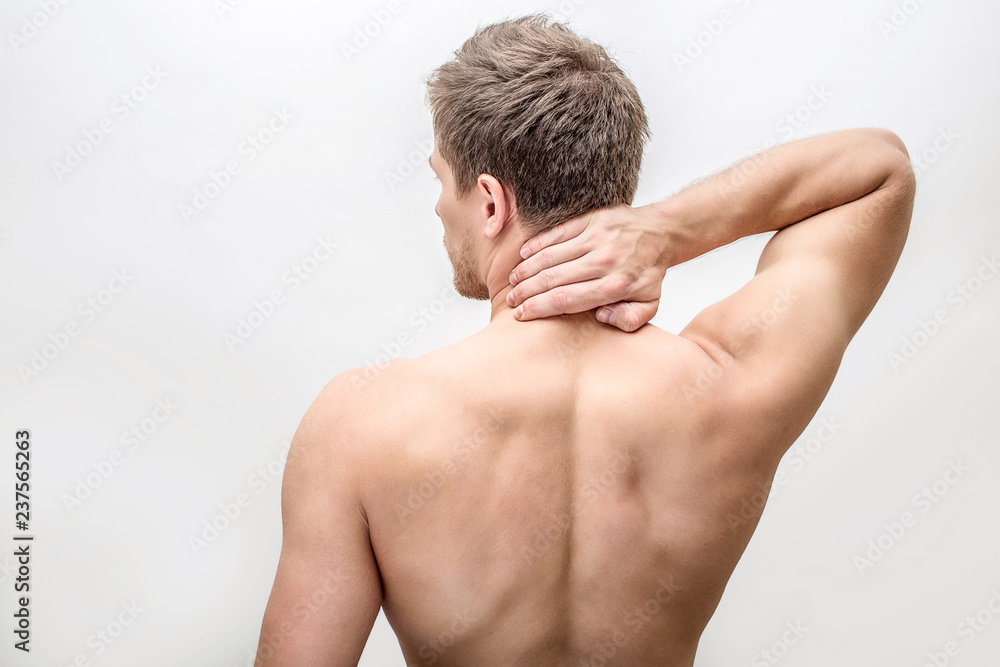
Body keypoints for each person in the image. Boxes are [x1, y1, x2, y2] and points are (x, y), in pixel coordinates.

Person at [254, 14, 915, 666]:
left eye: (439, 177)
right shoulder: (728, 381)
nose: (436, 206)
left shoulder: (359, 424)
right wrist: (669, 228)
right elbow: (879, 170)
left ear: (489, 202)